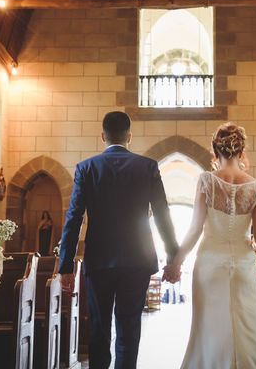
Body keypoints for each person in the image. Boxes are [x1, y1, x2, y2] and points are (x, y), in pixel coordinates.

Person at [58, 111, 180, 369]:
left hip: (99, 261)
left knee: (99, 330)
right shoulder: (147, 166)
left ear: (103, 136)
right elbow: (162, 215)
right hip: (137, 261)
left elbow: (74, 218)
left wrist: (65, 266)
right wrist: (173, 257)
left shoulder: (87, 168)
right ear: (130, 137)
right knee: (128, 329)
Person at [169, 122, 256, 368]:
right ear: (242, 150)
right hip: (243, 265)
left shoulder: (207, 181)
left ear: (216, 151)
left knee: (208, 326)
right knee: (247, 327)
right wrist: (255, 244)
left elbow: (194, 229)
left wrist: (176, 261)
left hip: (209, 264)